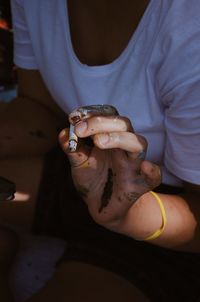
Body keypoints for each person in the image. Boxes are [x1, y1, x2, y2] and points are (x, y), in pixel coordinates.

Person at [0, 0, 200, 301]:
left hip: (169, 226)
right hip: (83, 174)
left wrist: (130, 215)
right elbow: (38, 107)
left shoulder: (189, 28)